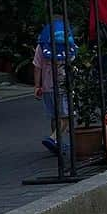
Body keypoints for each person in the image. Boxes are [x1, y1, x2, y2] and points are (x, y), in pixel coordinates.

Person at [33, 19, 75, 155]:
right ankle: (53, 138)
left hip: (46, 87)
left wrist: (37, 86)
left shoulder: (41, 46)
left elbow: (37, 67)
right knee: (67, 116)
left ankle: (57, 143)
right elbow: (73, 61)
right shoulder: (67, 43)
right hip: (63, 86)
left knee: (54, 116)